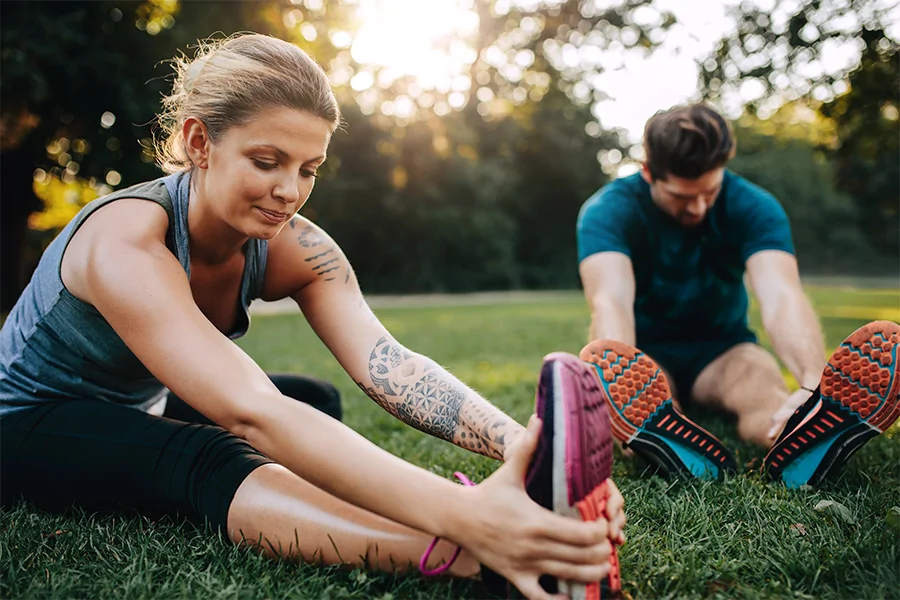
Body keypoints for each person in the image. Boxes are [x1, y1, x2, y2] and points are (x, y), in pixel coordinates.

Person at [0, 34, 624, 600]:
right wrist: (467, 517)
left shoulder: (295, 245)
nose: (289, 191)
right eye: (266, 161)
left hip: (140, 404)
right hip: (27, 421)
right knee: (211, 453)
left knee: (314, 401)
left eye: (308, 169)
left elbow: (388, 365)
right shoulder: (127, 241)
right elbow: (250, 409)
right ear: (199, 142)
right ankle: (475, 558)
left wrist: (528, 448)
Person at [575, 103, 900, 486]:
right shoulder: (607, 211)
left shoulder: (754, 206)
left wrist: (814, 382)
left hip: (724, 350)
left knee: (763, 391)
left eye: (709, 192)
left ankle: (800, 437)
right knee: (646, 410)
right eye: (682, 197)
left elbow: (781, 295)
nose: (698, 207)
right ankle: (645, 432)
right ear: (648, 172)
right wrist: (620, 378)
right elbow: (610, 299)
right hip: (646, 354)